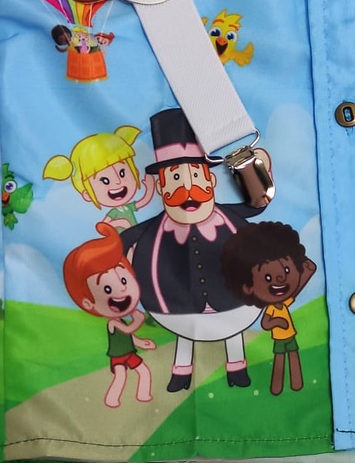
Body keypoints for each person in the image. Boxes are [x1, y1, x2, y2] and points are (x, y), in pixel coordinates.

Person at [120, 108, 272, 391]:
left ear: (211, 182)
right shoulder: (156, 229)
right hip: (173, 302)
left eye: (195, 176)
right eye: (175, 179)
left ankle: (237, 367)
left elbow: (257, 204)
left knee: (234, 329)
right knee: (184, 332)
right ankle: (181, 372)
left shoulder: (228, 217)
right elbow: (124, 240)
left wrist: (257, 172)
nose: (187, 190)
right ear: (161, 188)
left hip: (233, 296)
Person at [63, 223, 155, 408]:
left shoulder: (120, 320)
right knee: (121, 377)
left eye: (124, 280)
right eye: (107, 288)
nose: (121, 289)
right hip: (119, 356)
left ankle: (144, 395)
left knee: (143, 371)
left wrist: (140, 342)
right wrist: (137, 322)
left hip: (128, 353)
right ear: (88, 303)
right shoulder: (113, 323)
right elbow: (125, 331)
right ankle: (112, 399)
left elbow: (128, 335)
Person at [221, 221, 317, 394]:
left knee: (293, 356)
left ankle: (296, 383)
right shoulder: (272, 307)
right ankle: (276, 387)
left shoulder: (282, 302)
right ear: (248, 288)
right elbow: (266, 323)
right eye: (267, 277)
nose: (280, 279)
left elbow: (296, 290)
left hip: (290, 336)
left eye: (287, 270)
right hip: (280, 338)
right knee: (279, 359)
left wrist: (307, 273)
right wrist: (278, 322)